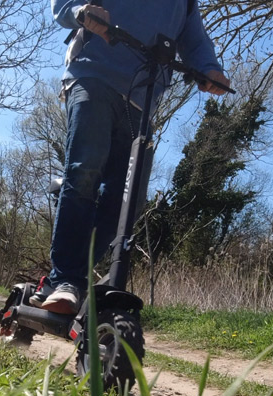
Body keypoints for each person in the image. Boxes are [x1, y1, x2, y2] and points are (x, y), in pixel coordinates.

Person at [39, 0, 231, 314]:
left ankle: (76, 279)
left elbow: (194, 39)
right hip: (93, 74)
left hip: (142, 99)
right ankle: (66, 280)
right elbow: (65, 4)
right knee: (85, 171)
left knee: (128, 200)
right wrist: (81, 11)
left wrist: (210, 69)